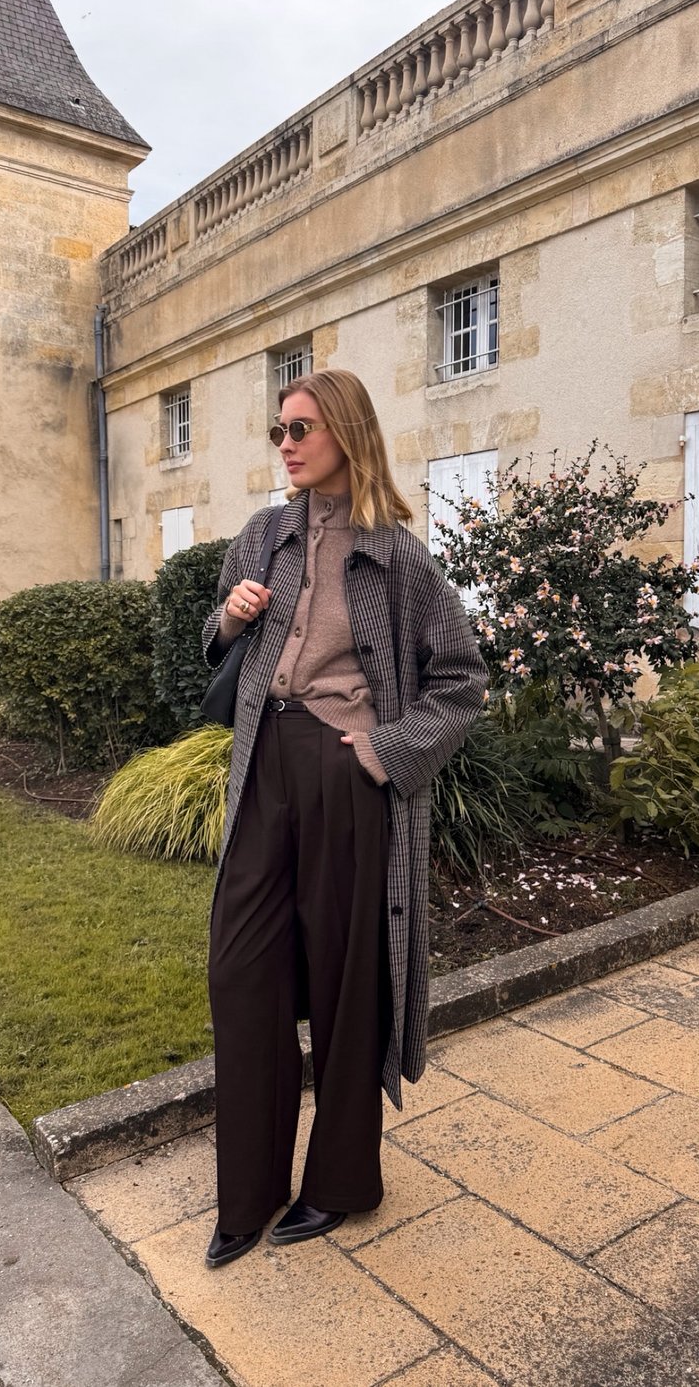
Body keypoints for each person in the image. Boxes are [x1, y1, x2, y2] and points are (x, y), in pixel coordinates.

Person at [201, 368, 486, 1269]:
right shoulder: (262, 535)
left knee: (345, 979)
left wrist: (380, 753)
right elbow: (213, 648)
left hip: (345, 771)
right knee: (240, 973)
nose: (285, 443)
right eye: (278, 429)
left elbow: (461, 679)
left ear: (346, 433)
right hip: (263, 765)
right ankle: (246, 1194)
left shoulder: (399, 556)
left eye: (301, 427)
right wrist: (228, 614)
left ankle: (339, 1181)